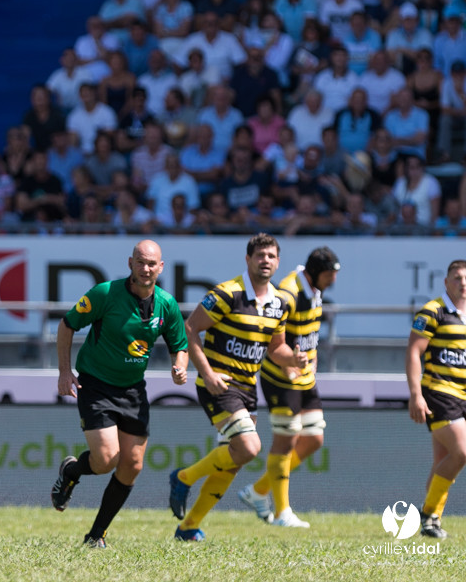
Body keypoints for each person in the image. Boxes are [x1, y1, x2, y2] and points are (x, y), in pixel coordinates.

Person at [52, 240, 189, 549]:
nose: (146, 268)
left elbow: (180, 345)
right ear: (130, 263)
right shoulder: (105, 293)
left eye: (152, 263)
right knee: (106, 460)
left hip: (133, 390)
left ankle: (95, 535)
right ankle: (72, 471)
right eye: (140, 262)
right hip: (96, 385)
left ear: (161, 267)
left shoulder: (167, 303)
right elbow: (66, 325)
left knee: (133, 464)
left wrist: (179, 367)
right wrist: (64, 371)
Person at [168, 233, 302, 542]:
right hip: (218, 384)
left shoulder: (279, 303)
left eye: (271, 256)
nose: (265, 260)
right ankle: (183, 477)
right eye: (259, 255)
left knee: (233, 460)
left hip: (247, 388)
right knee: (249, 448)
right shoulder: (228, 293)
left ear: (278, 262)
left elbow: (275, 348)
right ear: (248, 259)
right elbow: (189, 328)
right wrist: (207, 373)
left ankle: (188, 527)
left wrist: (293, 358)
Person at [238, 247, 341, 528]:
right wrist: (287, 365)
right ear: (315, 273)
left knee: (314, 439)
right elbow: (273, 338)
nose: (332, 280)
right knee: (285, 441)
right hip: (281, 377)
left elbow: (309, 332)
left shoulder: (312, 290)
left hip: (305, 375)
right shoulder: (288, 294)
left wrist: (312, 359)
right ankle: (282, 512)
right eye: (329, 274)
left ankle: (258, 491)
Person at [406, 259, 466, 539]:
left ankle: (430, 521)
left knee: (444, 458)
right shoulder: (433, 312)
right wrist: (415, 394)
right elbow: (413, 352)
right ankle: (429, 513)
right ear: (446, 282)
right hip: (439, 393)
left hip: (462, 395)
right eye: (456, 277)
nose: (462, 283)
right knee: (462, 452)